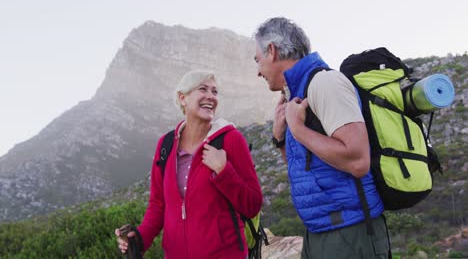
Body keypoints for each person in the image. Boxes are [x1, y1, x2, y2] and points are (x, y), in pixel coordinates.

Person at [253, 17, 390, 259]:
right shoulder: (298, 93)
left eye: (258, 60)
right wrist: (280, 137)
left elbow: (358, 162)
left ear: (272, 51)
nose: (258, 71)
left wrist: (298, 129)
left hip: (350, 233)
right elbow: (308, 168)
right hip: (320, 232)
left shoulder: (325, 83)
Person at [115, 70, 263, 258]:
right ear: (183, 98)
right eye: (203, 89)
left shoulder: (231, 140)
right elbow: (158, 205)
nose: (211, 96)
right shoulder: (165, 145)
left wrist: (224, 171)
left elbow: (253, 204)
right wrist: (139, 237)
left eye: (215, 92)